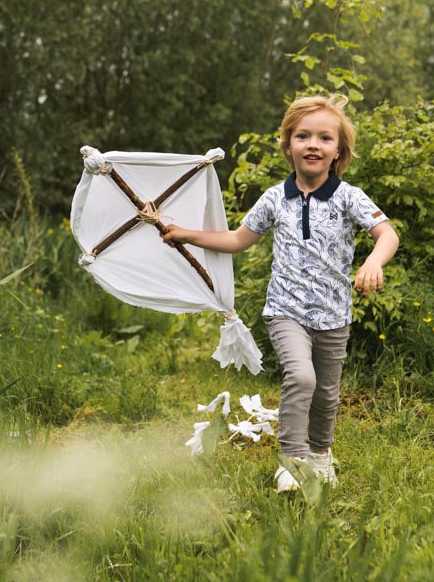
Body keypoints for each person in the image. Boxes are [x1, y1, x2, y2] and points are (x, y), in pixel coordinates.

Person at [162, 94, 399, 492]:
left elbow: (387, 234)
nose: (313, 144)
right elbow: (238, 239)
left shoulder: (349, 197)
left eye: (325, 138)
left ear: (338, 150)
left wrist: (374, 262)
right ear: (288, 145)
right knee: (301, 377)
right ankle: (292, 460)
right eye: (303, 136)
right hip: (285, 312)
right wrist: (186, 234)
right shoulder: (275, 198)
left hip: (334, 315)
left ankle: (321, 457)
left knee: (326, 394)